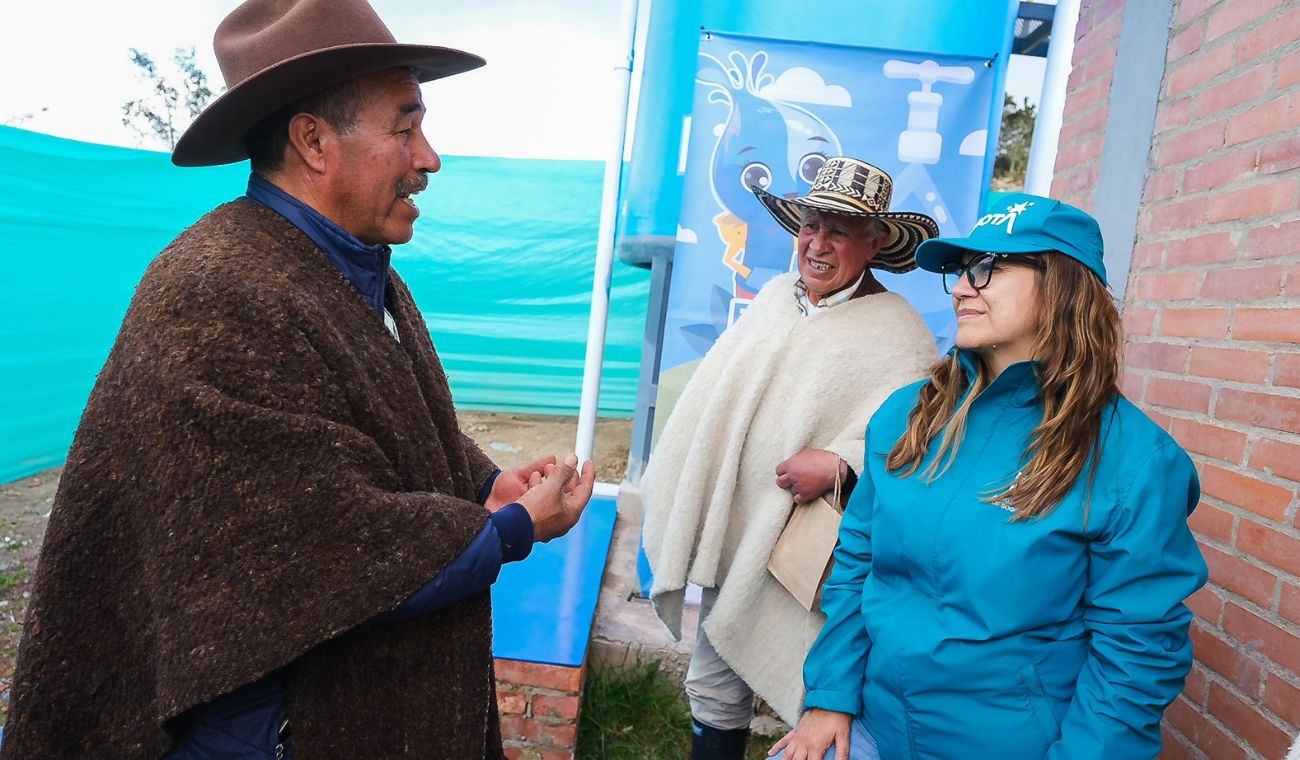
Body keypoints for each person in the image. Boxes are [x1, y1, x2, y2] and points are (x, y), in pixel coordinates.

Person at [0, 0, 594, 757]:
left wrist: (483, 486)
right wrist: (511, 528)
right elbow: (317, 542)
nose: (429, 158)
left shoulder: (352, 273)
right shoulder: (217, 289)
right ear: (313, 140)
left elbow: (369, 434)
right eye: (404, 128)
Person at [770, 194, 1208, 760]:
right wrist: (830, 696)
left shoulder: (1134, 460)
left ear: (1061, 283)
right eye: (959, 269)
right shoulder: (907, 415)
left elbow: (1138, 650)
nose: (958, 288)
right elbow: (859, 560)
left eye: (987, 268)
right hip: (872, 725)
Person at [641, 157, 941, 759]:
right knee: (714, 684)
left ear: (876, 242)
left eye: (839, 230)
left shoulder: (900, 333)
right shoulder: (777, 298)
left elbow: (913, 436)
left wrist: (842, 464)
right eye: (810, 225)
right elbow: (716, 403)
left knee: (816, 696)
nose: (817, 243)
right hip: (739, 528)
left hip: (813, 556)